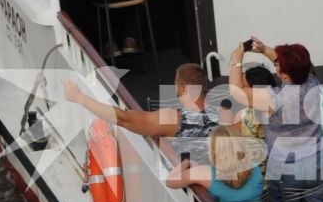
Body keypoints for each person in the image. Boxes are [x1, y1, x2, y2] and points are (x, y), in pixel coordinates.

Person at [228, 38, 323, 202]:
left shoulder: (275, 99)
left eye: (278, 65)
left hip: (286, 169)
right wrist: (263, 50)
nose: (276, 67)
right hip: (317, 162)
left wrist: (236, 60)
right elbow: (294, 65)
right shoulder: (312, 81)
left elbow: (237, 92)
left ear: (284, 74)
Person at [60, 62, 213, 161]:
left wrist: (80, 98)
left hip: (196, 196)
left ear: (181, 88)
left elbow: (124, 119)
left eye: (175, 84)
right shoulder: (225, 113)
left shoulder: (174, 118)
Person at [164, 125, 265, 202]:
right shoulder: (256, 168)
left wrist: (186, 162)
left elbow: (170, 181)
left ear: (214, 151)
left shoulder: (206, 173)